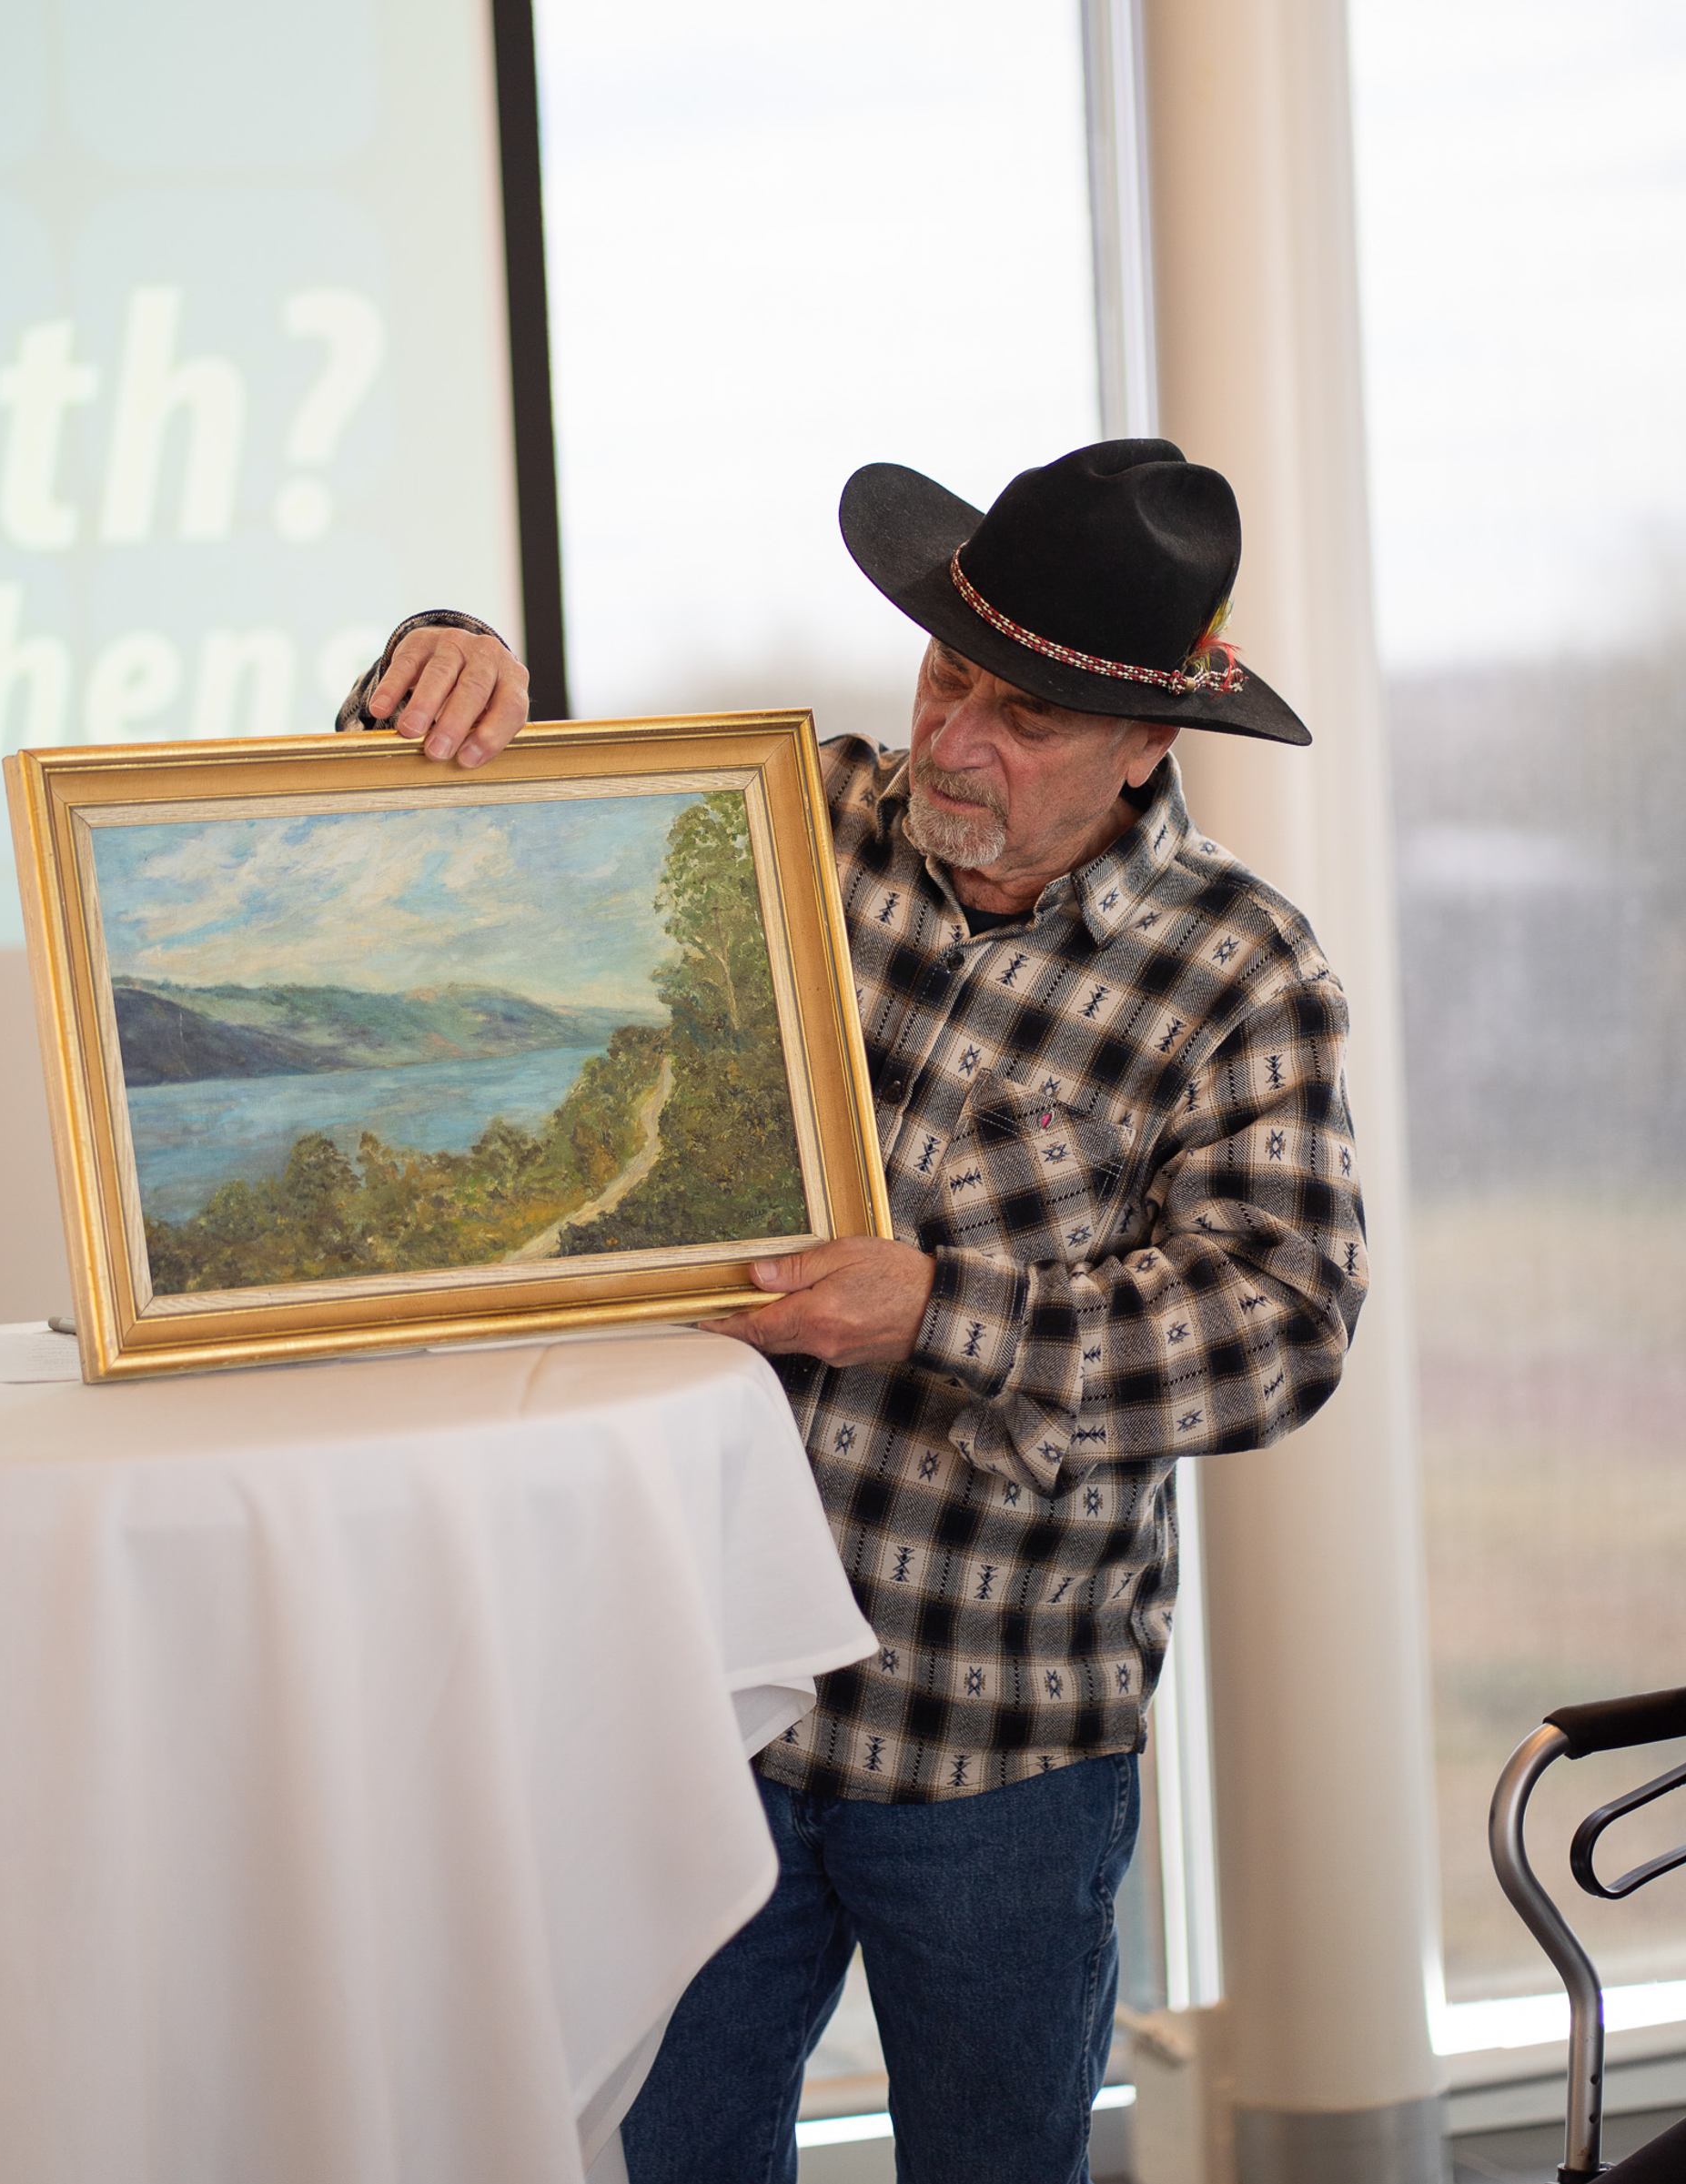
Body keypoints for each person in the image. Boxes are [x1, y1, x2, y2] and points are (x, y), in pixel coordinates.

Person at [336, 439, 1368, 2184]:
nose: (958, 743)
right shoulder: (782, 817)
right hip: (701, 1706)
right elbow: (505, 845)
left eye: (1028, 721)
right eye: (950, 679)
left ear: (1147, 746)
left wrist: (940, 1310)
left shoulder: (1243, 970)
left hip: (1003, 1736)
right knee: (671, 2160)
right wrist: (439, 663)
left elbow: (1282, 1323)